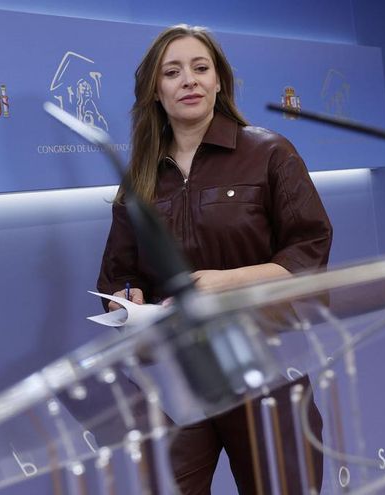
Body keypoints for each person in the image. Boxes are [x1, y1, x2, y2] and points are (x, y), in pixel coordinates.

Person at [96, 24, 332, 494]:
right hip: (177, 378)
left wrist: (229, 282)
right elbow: (119, 272)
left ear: (219, 81)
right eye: (173, 72)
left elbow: (309, 250)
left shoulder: (269, 153)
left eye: (201, 68)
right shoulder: (138, 181)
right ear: (155, 91)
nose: (190, 80)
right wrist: (127, 300)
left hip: (264, 365)